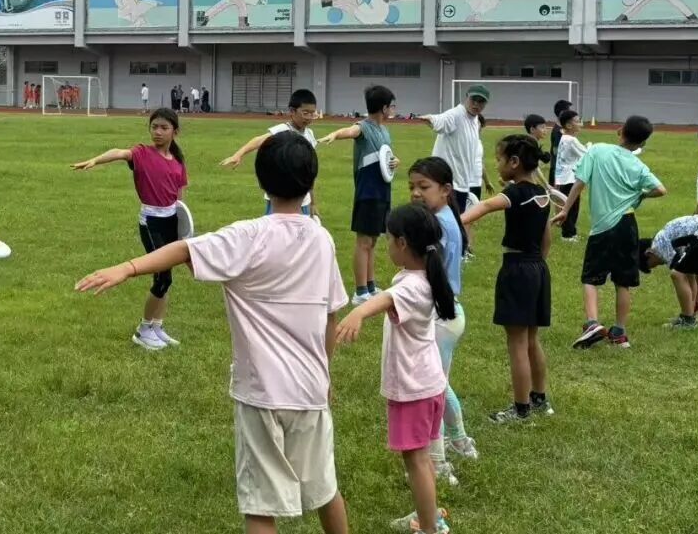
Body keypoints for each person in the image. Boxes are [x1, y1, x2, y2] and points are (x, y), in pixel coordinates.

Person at [76, 133, 350, 534]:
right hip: (310, 389)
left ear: (261, 181)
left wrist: (127, 268)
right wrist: (325, 374)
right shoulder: (322, 239)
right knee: (325, 490)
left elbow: (184, 250)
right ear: (311, 183)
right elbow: (331, 316)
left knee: (261, 507)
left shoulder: (249, 236)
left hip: (261, 393)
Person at [336, 203, 455, 534]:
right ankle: (430, 517)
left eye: (388, 239)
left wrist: (358, 312)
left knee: (416, 461)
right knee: (422, 459)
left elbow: (387, 299)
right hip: (427, 384)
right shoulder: (422, 276)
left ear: (402, 243)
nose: (386, 245)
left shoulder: (413, 286)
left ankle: (429, 528)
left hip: (414, 388)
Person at [71, 108, 188, 350]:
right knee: (162, 277)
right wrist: (96, 160)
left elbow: (180, 197)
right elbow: (119, 152)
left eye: (164, 128)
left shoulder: (177, 161)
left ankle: (157, 326)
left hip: (170, 220)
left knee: (166, 278)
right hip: (151, 222)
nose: (157, 132)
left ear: (175, 132)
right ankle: (143, 330)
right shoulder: (142, 153)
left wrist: (182, 223)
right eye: (154, 127)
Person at [553, 115, 666, 350]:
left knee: (590, 278)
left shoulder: (598, 151)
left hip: (603, 227)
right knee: (623, 281)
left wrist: (565, 210)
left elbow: (579, 182)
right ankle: (619, 333)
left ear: (620, 130)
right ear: (642, 143)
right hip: (628, 225)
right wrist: (640, 195)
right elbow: (660, 189)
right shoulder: (638, 165)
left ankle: (592, 323)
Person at [461, 134, 553, 424]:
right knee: (532, 339)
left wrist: (452, 221)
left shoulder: (514, 194)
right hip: (538, 268)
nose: (496, 164)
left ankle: (521, 408)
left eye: (499, 159)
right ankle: (539, 399)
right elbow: (546, 238)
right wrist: (537, 264)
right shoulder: (542, 194)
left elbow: (485, 206)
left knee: (516, 342)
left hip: (517, 269)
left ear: (514, 162)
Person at [408, 157, 477, 485]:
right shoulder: (445, 218)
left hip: (440, 317)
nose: (415, 193)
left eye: (424, 187)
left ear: (446, 190)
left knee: (432, 391)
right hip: (448, 314)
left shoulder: (439, 226)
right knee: (439, 384)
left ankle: (438, 463)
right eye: (411, 186)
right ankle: (460, 441)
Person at [318, 84, 397, 303]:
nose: (394, 109)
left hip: (383, 191)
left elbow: (386, 157)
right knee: (363, 242)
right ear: (384, 108)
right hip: (367, 193)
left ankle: (370, 286)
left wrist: (395, 162)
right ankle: (360, 291)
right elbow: (350, 131)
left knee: (373, 241)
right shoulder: (363, 127)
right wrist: (335, 134)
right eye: (392, 106)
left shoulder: (385, 131)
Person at [222, 89, 320, 218]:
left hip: (303, 201)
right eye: (305, 113)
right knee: (274, 228)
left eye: (312, 114)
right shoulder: (282, 130)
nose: (309, 118)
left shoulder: (310, 135)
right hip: (279, 198)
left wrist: (313, 202)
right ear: (292, 111)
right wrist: (238, 154)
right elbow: (258, 140)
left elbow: (309, 172)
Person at [640, 214, 698, 330]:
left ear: (648, 253)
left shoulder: (659, 244)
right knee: (686, 272)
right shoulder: (670, 237)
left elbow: (684, 275)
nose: (658, 265)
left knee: (676, 274)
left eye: (653, 264)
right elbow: (696, 272)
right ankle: (690, 317)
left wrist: (695, 300)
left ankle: (687, 320)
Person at [420, 85, 488, 215]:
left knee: (456, 222)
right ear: (466, 97)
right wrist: (431, 119)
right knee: (443, 222)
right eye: (473, 99)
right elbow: (442, 120)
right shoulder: (456, 114)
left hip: (461, 184)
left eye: (481, 101)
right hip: (447, 185)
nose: (476, 104)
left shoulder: (474, 120)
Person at [552, 110, 587, 241]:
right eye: (577, 121)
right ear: (568, 125)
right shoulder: (571, 140)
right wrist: (590, 147)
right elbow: (586, 155)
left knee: (568, 205)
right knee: (572, 206)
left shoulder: (564, 138)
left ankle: (570, 232)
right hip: (569, 178)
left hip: (564, 177)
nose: (580, 124)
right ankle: (568, 234)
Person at [548, 99, 572, 184]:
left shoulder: (562, 130)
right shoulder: (558, 132)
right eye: (568, 111)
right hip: (558, 173)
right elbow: (556, 151)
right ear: (562, 113)